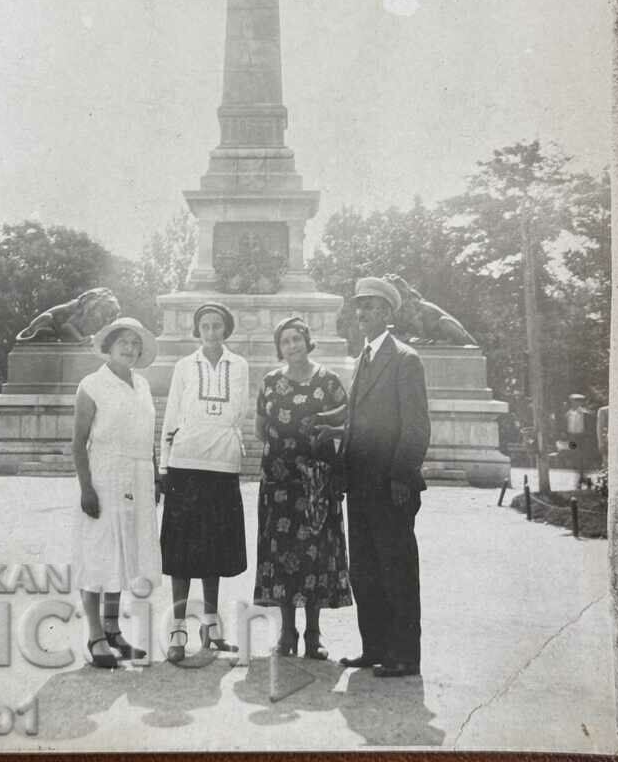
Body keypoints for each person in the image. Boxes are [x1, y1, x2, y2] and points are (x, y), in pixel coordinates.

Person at [340, 276, 431, 678]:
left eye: (372, 305)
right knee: (365, 570)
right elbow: (355, 421)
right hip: (360, 485)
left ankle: (405, 655)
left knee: (397, 571)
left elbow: (416, 426)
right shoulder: (362, 358)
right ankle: (374, 647)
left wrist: (401, 475)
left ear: (388, 313)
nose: (363, 312)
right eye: (360, 305)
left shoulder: (405, 359)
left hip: (390, 486)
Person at [254, 316, 352, 658]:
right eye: (285, 341)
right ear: (279, 348)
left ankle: (313, 634)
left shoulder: (328, 381)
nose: (292, 345)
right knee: (282, 555)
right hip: (279, 483)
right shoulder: (269, 382)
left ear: (307, 341)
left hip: (316, 482)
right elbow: (259, 427)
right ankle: (287, 632)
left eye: (297, 339)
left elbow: (347, 419)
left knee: (315, 554)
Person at [159, 302, 249, 662]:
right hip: (185, 463)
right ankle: (178, 630)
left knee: (215, 549)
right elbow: (171, 415)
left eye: (217, 326)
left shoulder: (239, 366)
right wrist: (164, 466)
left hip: (223, 464)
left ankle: (211, 626)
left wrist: (214, 429)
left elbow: (236, 412)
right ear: (198, 331)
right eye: (205, 326)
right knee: (181, 552)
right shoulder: (184, 366)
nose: (212, 332)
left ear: (225, 330)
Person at [72, 317, 161, 668]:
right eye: (123, 341)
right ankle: (94, 635)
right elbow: (79, 443)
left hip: (138, 476)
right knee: (98, 553)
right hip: (104, 475)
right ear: (109, 346)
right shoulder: (92, 385)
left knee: (125, 553)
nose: (129, 348)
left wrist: (153, 479)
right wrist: (86, 488)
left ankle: (113, 629)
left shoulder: (142, 385)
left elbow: (147, 438)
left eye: (135, 343)